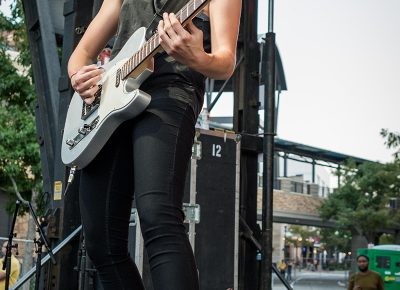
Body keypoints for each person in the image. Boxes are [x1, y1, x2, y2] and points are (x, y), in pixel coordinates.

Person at [67, 0, 241, 289]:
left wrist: (198, 58)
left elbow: (225, 62)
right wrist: (78, 77)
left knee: (157, 215)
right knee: (100, 240)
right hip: (111, 97)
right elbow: (81, 54)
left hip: (171, 88)